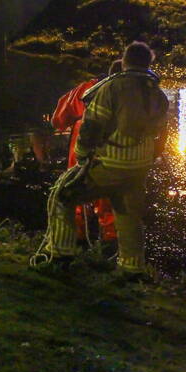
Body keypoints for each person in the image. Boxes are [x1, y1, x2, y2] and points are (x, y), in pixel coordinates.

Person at [37, 42, 169, 279]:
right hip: (139, 169)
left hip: (111, 165)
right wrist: (149, 158)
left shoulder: (110, 88)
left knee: (63, 194)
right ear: (148, 64)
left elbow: (92, 126)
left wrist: (83, 155)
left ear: (125, 61)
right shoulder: (158, 94)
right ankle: (132, 268)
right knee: (129, 216)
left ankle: (62, 255)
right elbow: (162, 135)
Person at [51, 60, 124, 244]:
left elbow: (58, 120)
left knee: (73, 198)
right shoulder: (140, 97)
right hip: (116, 159)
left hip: (83, 156)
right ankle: (111, 250)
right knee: (111, 205)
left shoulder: (87, 90)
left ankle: (74, 244)